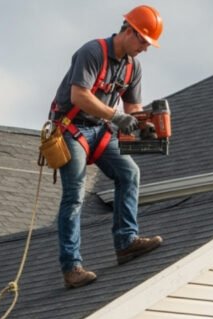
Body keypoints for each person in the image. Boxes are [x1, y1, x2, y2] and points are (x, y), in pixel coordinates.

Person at [49, 5, 165, 289]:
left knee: (129, 173)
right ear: (129, 31)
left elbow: (132, 106)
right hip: (71, 129)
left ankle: (126, 242)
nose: (145, 49)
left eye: (148, 45)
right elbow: (79, 96)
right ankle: (71, 267)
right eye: (143, 42)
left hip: (100, 131)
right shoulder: (93, 52)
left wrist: (143, 124)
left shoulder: (132, 66)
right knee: (75, 195)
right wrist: (117, 117)